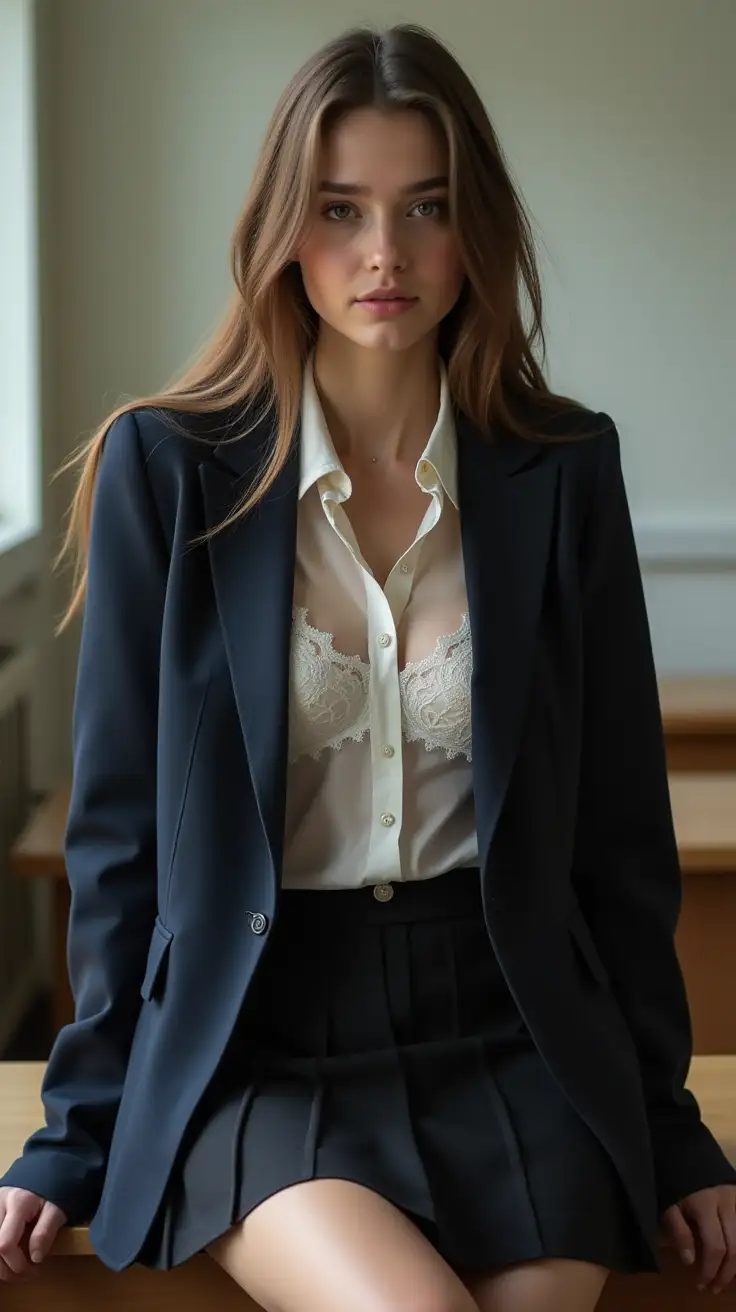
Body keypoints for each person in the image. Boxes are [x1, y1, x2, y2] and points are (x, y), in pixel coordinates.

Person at [1, 22, 734, 1311]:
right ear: (285, 227)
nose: (383, 254)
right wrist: (78, 1121)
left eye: (425, 208)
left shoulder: (563, 469)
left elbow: (621, 837)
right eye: (340, 209)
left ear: (476, 232)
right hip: (263, 1035)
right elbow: (121, 838)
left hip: (513, 1025)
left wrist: (671, 1125)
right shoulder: (166, 470)